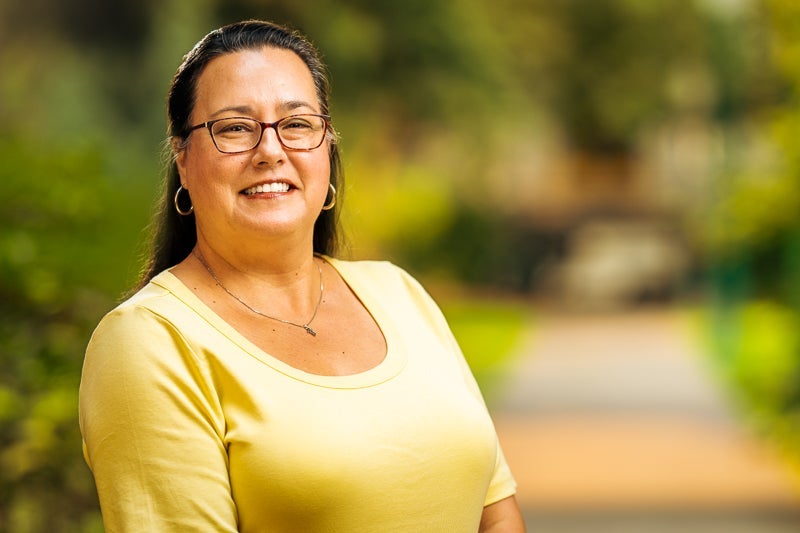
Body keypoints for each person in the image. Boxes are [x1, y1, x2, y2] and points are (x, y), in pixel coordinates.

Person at [78, 19, 525, 532]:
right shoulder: (150, 341)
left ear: (327, 148)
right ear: (183, 159)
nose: (271, 150)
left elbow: (497, 514)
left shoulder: (400, 294)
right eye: (235, 128)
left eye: (296, 124)